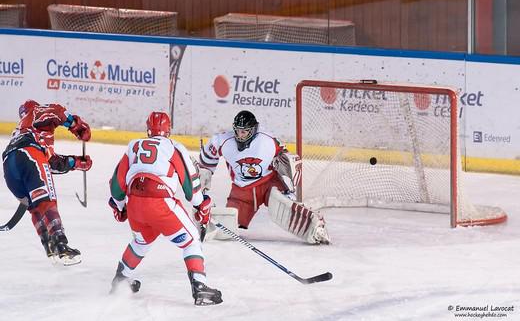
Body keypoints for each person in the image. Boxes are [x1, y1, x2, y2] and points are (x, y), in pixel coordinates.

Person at [108, 111, 222, 306]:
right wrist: (199, 203)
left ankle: (120, 279)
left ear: (148, 129)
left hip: (135, 203)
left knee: (141, 242)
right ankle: (200, 287)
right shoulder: (173, 147)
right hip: (160, 203)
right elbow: (190, 182)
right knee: (191, 239)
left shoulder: (133, 146)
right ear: (168, 130)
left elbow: (117, 185)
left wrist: (120, 205)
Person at [198, 110, 330, 244]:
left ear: (254, 129)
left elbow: (285, 156)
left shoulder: (268, 140)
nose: (240, 135)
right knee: (227, 228)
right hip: (242, 191)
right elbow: (209, 154)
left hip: (269, 183)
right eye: (237, 131)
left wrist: (285, 162)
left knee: (286, 206)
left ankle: (316, 227)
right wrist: (206, 171)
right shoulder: (222, 141)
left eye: (244, 131)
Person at [2, 100, 92, 266]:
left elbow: (50, 164)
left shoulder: (22, 130)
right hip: (29, 155)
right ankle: (62, 246)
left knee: (35, 207)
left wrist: (76, 163)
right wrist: (77, 126)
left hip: (9, 166)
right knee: (46, 201)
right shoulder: (35, 112)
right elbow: (56, 111)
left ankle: (49, 247)